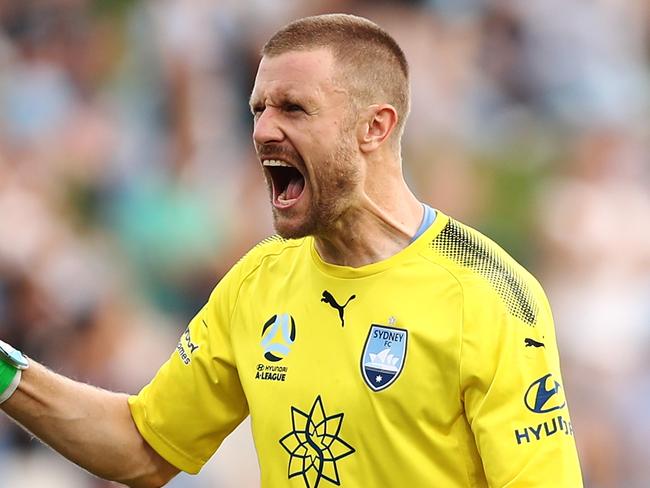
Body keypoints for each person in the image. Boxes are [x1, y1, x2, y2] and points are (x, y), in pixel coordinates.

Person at [0, 13, 582, 488]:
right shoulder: (258, 280)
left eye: (293, 109)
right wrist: (6, 373)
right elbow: (143, 447)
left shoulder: (489, 292)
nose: (262, 131)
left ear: (374, 128)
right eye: (258, 109)